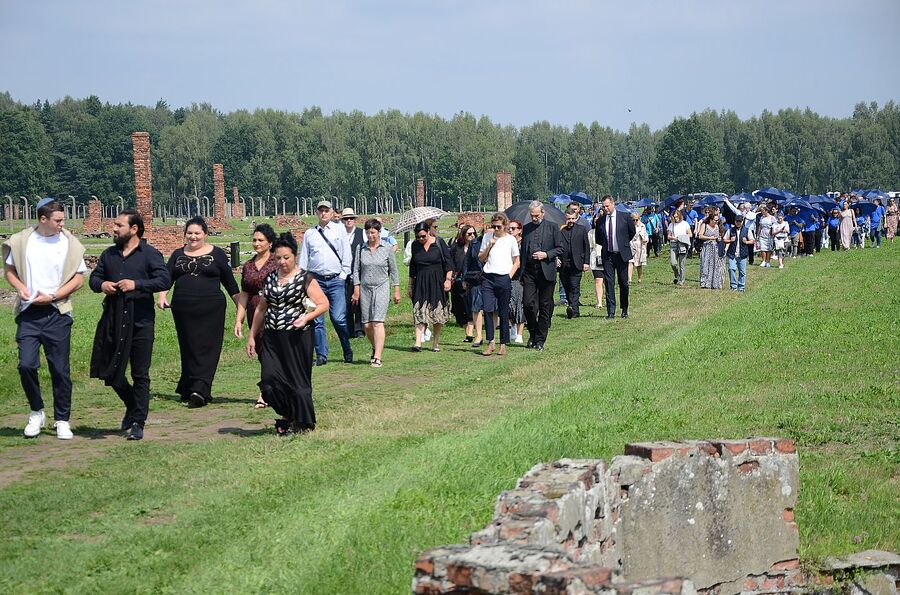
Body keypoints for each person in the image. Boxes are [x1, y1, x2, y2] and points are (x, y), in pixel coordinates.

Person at [3, 199, 86, 440]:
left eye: (63, 219)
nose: (63, 224)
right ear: (43, 219)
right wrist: (20, 288)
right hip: (29, 313)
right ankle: (36, 411)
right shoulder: (22, 241)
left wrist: (53, 296)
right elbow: (9, 271)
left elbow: (78, 279)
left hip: (57, 313)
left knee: (60, 369)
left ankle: (62, 419)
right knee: (26, 365)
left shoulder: (69, 244)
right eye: (58, 220)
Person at [89, 209, 171, 440]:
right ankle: (133, 403)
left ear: (134, 229)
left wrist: (137, 284)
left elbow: (163, 280)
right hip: (113, 320)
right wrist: (102, 285)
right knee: (109, 370)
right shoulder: (109, 255)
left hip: (141, 321)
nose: (114, 229)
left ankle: (138, 422)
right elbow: (94, 278)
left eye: (119, 225)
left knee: (140, 373)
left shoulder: (150, 254)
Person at [247, 233, 329, 435]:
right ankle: (288, 414)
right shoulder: (271, 278)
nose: (282, 262)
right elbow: (261, 309)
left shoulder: (305, 278)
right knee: (269, 381)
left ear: (295, 256)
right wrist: (252, 335)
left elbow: (323, 304)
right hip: (272, 337)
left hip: (297, 337)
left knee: (297, 381)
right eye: (278, 258)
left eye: (286, 258)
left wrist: (306, 318)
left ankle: (301, 421)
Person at [158, 217, 239, 408]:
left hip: (212, 310)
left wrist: (241, 308)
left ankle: (201, 389)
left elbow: (231, 284)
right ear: (185, 234)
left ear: (205, 234)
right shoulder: (178, 254)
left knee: (208, 348)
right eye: (190, 233)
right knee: (189, 347)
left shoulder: (218, 254)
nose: (193, 237)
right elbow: (166, 279)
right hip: (183, 310)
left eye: (197, 233)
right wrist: (162, 296)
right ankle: (189, 387)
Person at [299, 200, 354, 365]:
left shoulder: (339, 230)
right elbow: (304, 258)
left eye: (326, 210)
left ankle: (346, 348)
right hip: (316, 280)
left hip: (335, 279)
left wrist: (343, 275)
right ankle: (321, 355)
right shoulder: (310, 233)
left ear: (331, 213)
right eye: (320, 210)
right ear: (317, 213)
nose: (323, 213)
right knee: (317, 320)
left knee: (338, 318)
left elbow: (346, 254)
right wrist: (302, 280)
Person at [234, 223, 277, 409]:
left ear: (270, 243)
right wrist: (239, 319)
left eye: (261, 240)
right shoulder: (249, 265)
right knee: (261, 351)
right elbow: (244, 293)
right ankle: (270, 388)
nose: (256, 243)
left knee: (272, 351)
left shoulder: (277, 262)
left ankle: (264, 392)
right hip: (254, 311)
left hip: (275, 311)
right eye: (254, 240)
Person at [351, 219, 400, 368]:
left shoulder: (386, 248)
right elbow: (356, 270)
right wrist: (356, 288)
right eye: (367, 232)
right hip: (365, 288)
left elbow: (394, 271)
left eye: (373, 232)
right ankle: (375, 346)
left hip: (381, 287)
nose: (370, 235)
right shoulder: (361, 248)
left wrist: (396, 289)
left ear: (379, 233)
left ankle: (377, 356)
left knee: (377, 322)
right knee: (366, 325)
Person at [520, 201, 563, 350]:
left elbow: (560, 248)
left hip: (546, 271)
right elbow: (523, 251)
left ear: (543, 213)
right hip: (530, 272)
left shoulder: (552, 227)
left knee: (545, 306)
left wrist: (546, 254)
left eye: (537, 215)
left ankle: (540, 340)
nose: (534, 218)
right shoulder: (526, 228)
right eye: (532, 216)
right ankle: (533, 332)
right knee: (528, 305)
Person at [479, 212, 520, 356]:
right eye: (493, 226)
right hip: (488, 277)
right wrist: (489, 246)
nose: (495, 229)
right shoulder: (487, 237)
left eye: (498, 226)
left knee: (503, 312)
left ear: (505, 226)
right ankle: (491, 342)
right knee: (488, 310)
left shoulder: (510, 240)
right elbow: (481, 258)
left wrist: (509, 276)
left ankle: (503, 343)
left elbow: (517, 261)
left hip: (503, 277)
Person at [408, 222, 453, 352]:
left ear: (428, 231)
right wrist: (410, 285)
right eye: (418, 237)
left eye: (423, 236)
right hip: (421, 282)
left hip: (437, 281)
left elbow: (449, 263)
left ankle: (435, 342)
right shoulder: (415, 246)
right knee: (419, 310)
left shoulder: (439, 243)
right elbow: (413, 267)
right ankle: (418, 342)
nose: (421, 239)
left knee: (437, 312)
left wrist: (448, 280)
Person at [595, 196, 636, 319]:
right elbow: (599, 238)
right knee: (609, 283)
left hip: (621, 255)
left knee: (623, 283)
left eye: (608, 206)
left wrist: (622, 244)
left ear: (613, 204)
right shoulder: (601, 220)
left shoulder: (625, 217)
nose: (606, 208)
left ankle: (624, 309)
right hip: (608, 256)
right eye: (604, 206)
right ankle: (611, 311)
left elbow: (631, 232)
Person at [558, 208, 590, 318]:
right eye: (568, 219)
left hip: (577, 263)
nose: (570, 221)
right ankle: (573, 308)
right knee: (567, 287)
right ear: (565, 219)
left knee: (574, 286)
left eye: (573, 219)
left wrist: (586, 262)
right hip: (564, 264)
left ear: (576, 219)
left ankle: (573, 308)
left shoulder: (581, 230)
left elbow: (586, 247)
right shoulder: (561, 232)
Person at [341, 208, 366, 338]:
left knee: (360, 302)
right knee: (346, 302)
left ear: (354, 220)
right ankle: (349, 330)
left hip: (360, 272)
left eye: (351, 218)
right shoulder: (339, 234)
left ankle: (359, 329)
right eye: (346, 218)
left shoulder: (362, 233)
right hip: (343, 273)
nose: (349, 221)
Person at [449, 225, 475, 332]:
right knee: (459, 307)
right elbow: (450, 262)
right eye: (469, 234)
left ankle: (470, 333)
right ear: (463, 235)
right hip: (458, 281)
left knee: (471, 306)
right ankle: (466, 331)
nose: (472, 236)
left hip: (473, 280)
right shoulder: (456, 247)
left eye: (474, 233)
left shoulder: (477, 247)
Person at [461, 228, 485, 347]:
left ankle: (491, 336)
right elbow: (467, 261)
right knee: (476, 307)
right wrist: (465, 278)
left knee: (492, 308)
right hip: (476, 278)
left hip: (492, 277)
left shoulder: (501, 242)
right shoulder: (475, 243)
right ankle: (479, 335)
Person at [723, 214, 754, 292]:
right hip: (732, 253)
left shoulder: (747, 230)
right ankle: (733, 286)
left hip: (742, 254)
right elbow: (724, 240)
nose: (738, 223)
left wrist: (746, 242)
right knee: (731, 269)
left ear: (742, 222)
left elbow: (752, 241)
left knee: (742, 272)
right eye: (737, 221)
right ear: (735, 221)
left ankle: (741, 287)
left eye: (740, 221)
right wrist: (730, 240)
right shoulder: (730, 230)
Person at [506, 220, 526, 343]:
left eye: (513, 228)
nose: (510, 230)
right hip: (507, 277)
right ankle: (512, 327)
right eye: (509, 228)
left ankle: (520, 334)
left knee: (520, 305)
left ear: (519, 230)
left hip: (520, 278)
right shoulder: (506, 243)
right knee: (508, 305)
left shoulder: (523, 243)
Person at [698, 212, 725, 289]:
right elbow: (700, 235)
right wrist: (709, 238)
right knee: (705, 264)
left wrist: (719, 239)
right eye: (715, 220)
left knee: (714, 265)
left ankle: (713, 282)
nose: (716, 222)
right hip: (707, 247)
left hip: (715, 248)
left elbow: (718, 236)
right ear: (710, 219)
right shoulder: (705, 225)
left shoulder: (717, 227)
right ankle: (704, 282)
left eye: (717, 220)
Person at [667, 209, 691, 286]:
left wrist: (681, 237)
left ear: (680, 216)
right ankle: (677, 275)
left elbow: (690, 234)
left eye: (677, 216)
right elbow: (668, 236)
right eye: (674, 217)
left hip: (682, 244)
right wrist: (674, 238)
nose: (675, 218)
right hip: (674, 244)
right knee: (673, 263)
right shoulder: (671, 225)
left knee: (682, 264)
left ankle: (682, 280)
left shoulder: (685, 224)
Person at [628, 212, 649, 285]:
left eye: (636, 220)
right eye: (633, 220)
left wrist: (645, 240)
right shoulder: (629, 226)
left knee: (639, 264)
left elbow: (646, 235)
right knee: (630, 262)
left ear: (639, 219)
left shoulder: (642, 226)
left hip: (640, 246)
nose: (635, 221)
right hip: (631, 245)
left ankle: (639, 279)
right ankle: (629, 280)